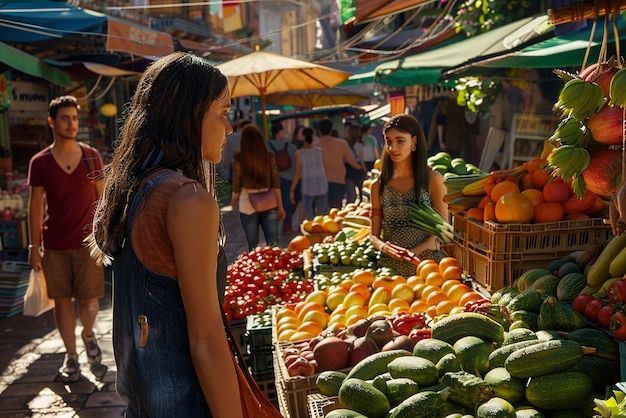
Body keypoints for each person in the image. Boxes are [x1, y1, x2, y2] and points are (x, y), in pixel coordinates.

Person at [87, 52, 243, 417]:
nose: (230, 128)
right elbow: (205, 340)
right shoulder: (187, 200)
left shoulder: (134, 189)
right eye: (223, 113)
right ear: (189, 114)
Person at [27, 95, 105, 384]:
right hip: (55, 245)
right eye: (64, 118)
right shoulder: (40, 162)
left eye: (74, 118)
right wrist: (34, 248)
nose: (71, 123)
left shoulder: (91, 156)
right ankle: (71, 355)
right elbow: (35, 206)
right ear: (52, 122)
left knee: (90, 302)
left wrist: (104, 234)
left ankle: (87, 334)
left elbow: (102, 197)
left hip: (88, 244)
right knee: (62, 303)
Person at [369, 113, 449, 278]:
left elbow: (444, 231)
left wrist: (412, 254)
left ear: (414, 141)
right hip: (389, 270)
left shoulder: (433, 180)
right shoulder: (378, 186)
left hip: (429, 268)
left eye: (400, 140)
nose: (392, 148)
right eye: (389, 141)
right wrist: (385, 248)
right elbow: (373, 237)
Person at [232, 124, 285, 250]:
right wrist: (280, 206)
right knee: (274, 245)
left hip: (247, 204)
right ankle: (275, 269)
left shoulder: (239, 158)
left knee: (253, 246)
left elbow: (236, 182)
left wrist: (234, 201)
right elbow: (276, 183)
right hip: (270, 201)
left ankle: (255, 268)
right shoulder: (268, 156)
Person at [314, 118, 361, 210]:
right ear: (331, 131)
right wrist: (361, 170)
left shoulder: (315, 145)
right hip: (338, 180)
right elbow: (352, 161)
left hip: (320, 182)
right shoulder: (342, 144)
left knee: (322, 211)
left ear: (319, 132)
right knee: (336, 210)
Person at [290, 127, 328, 220]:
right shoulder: (320, 151)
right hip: (321, 183)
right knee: (322, 214)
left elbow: (298, 173)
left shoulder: (298, 153)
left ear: (303, 137)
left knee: (309, 214)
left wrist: (292, 189)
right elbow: (324, 168)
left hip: (307, 185)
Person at [267, 122, 297, 232]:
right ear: (278, 133)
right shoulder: (291, 146)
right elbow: (295, 163)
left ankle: (272, 226)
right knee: (286, 203)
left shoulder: (266, 146)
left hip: (273, 179)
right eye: (282, 130)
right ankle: (287, 225)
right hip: (288, 178)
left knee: (271, 203)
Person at [344, 123, 367, 204]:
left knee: (351, 196)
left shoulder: (344, 143)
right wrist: (364, 171)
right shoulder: (359, 144)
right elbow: (361, 160)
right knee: (361, 195)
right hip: (357, 169)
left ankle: (349, 210)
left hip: (348, 170)